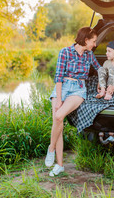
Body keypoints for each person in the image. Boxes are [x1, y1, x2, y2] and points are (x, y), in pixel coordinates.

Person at [45, 27, 101, 176]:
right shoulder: (65, 52)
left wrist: (102, 83)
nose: (94, 45)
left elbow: (100, 69)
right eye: (93, 41)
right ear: (86, 40)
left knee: (58, 116)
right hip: (62, 88)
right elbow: (58, 77)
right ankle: (60, 165)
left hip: (78, 89)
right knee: (58, 124)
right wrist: (58, 99)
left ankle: (50, 149)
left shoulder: (89, 55)